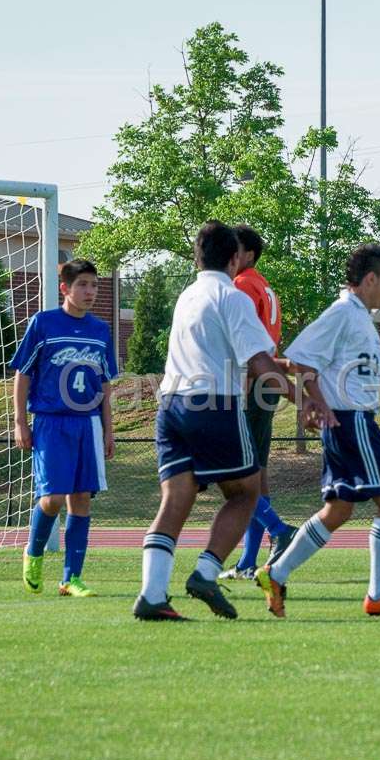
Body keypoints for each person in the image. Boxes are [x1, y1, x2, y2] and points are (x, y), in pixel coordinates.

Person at [133, 221, 323, 621]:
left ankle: (151, 595)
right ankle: (205, 572)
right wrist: (304, 400)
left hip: (169, 404)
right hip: (213, 403)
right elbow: (259, 364)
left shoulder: (186, 295)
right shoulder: (232, 295)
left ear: (195, 256)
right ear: (235, 258)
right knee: (245, 493)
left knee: (176, 500)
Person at [255, 243, 380, 618]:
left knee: (338, 511)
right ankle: (378, 593)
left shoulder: (360, 319)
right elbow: (302, 359)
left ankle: (276, 573)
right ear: (370, 279)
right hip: (350, 422)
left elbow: (349, 377)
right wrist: (314, 402)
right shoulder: (343, 314)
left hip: (350, 419)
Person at [12, 258, 117, 599]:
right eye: (83, 285)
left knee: (81, 499)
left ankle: (72, 578)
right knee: (53, 499)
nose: (90, 292)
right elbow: (23, 373)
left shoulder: (100, 330)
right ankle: (34, 552)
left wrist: (108, 430)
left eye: (94, 285)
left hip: (88, 425)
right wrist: (19, 421)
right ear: (65, 289)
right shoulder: (43, 323)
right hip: (51, 423)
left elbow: (105, 385)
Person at [217, 224, 299, 580]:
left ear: (246, 254)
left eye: (234, 250)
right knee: (256, 473)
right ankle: (249, 560)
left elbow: (244, 340)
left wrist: (244, 381)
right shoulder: (263, 283)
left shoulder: (242, 286)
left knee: (236, 472)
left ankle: (279, 531)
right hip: (263, 379)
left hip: (250, 380)